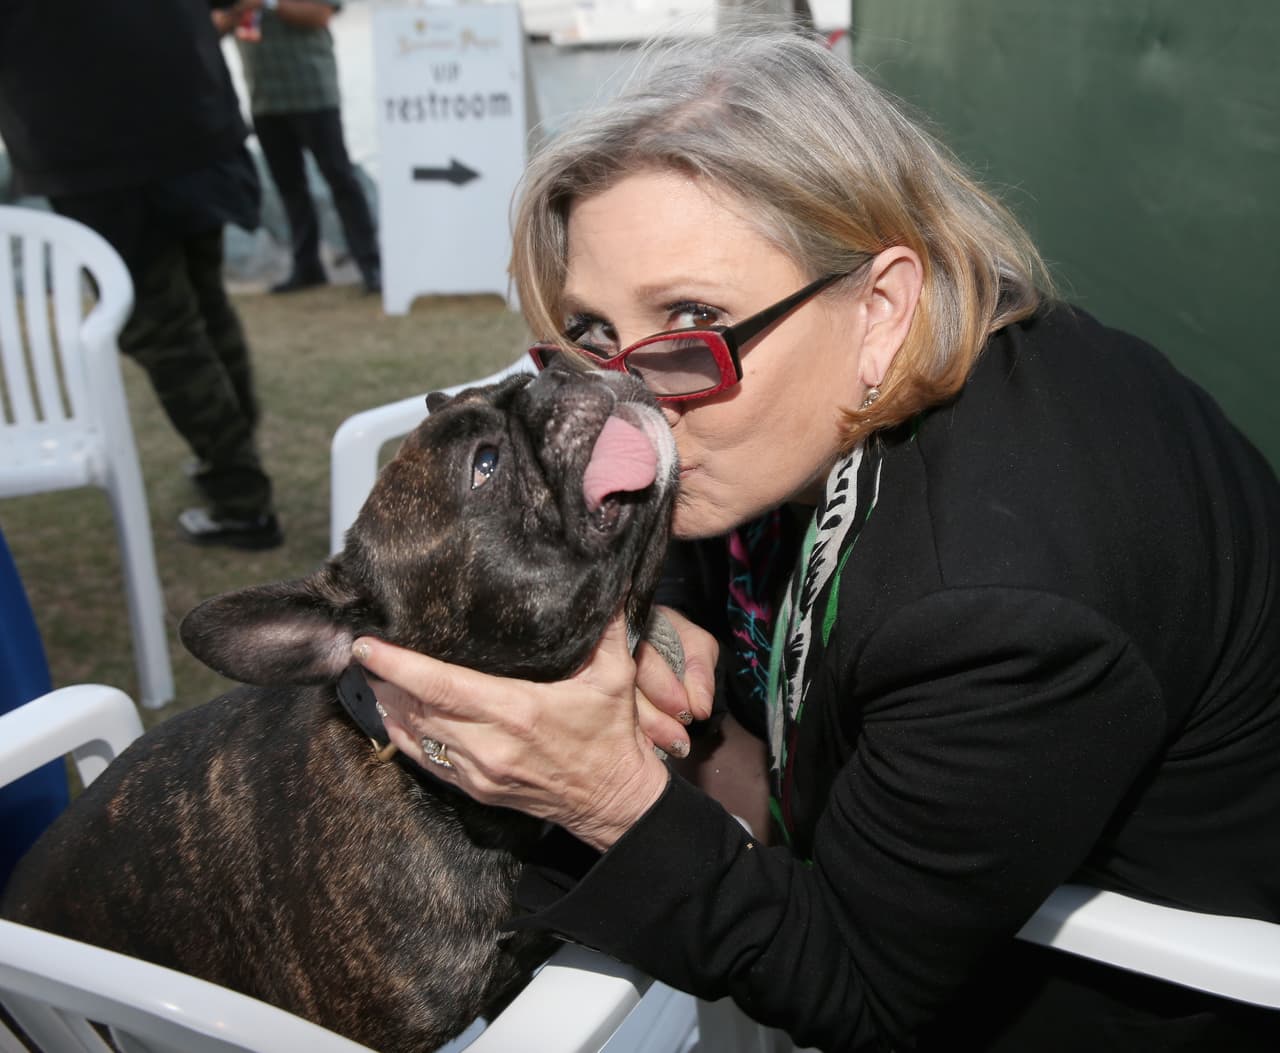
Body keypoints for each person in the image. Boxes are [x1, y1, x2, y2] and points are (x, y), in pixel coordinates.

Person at [351, 25, 1280, 1052]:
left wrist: (606, 794)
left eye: (692, 319)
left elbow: (861, 990)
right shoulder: (809, 412)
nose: (629, 409)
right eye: (595, 340)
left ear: (880, 306)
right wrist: (656, 622)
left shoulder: (998, 597)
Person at [0, 0, 284, 550]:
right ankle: (232, 461)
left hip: (93, 145)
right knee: (203, 306)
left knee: (166, 330)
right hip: (194, 118)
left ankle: (240, 495)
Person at [214, 0, 382, 295]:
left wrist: (266, 3)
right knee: (289, 187)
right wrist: (236, 13)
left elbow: (320, 14)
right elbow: (211, 27)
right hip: (265, 99)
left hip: (314, 93)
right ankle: (306, 266)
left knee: (340, 178)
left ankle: (370, 263)